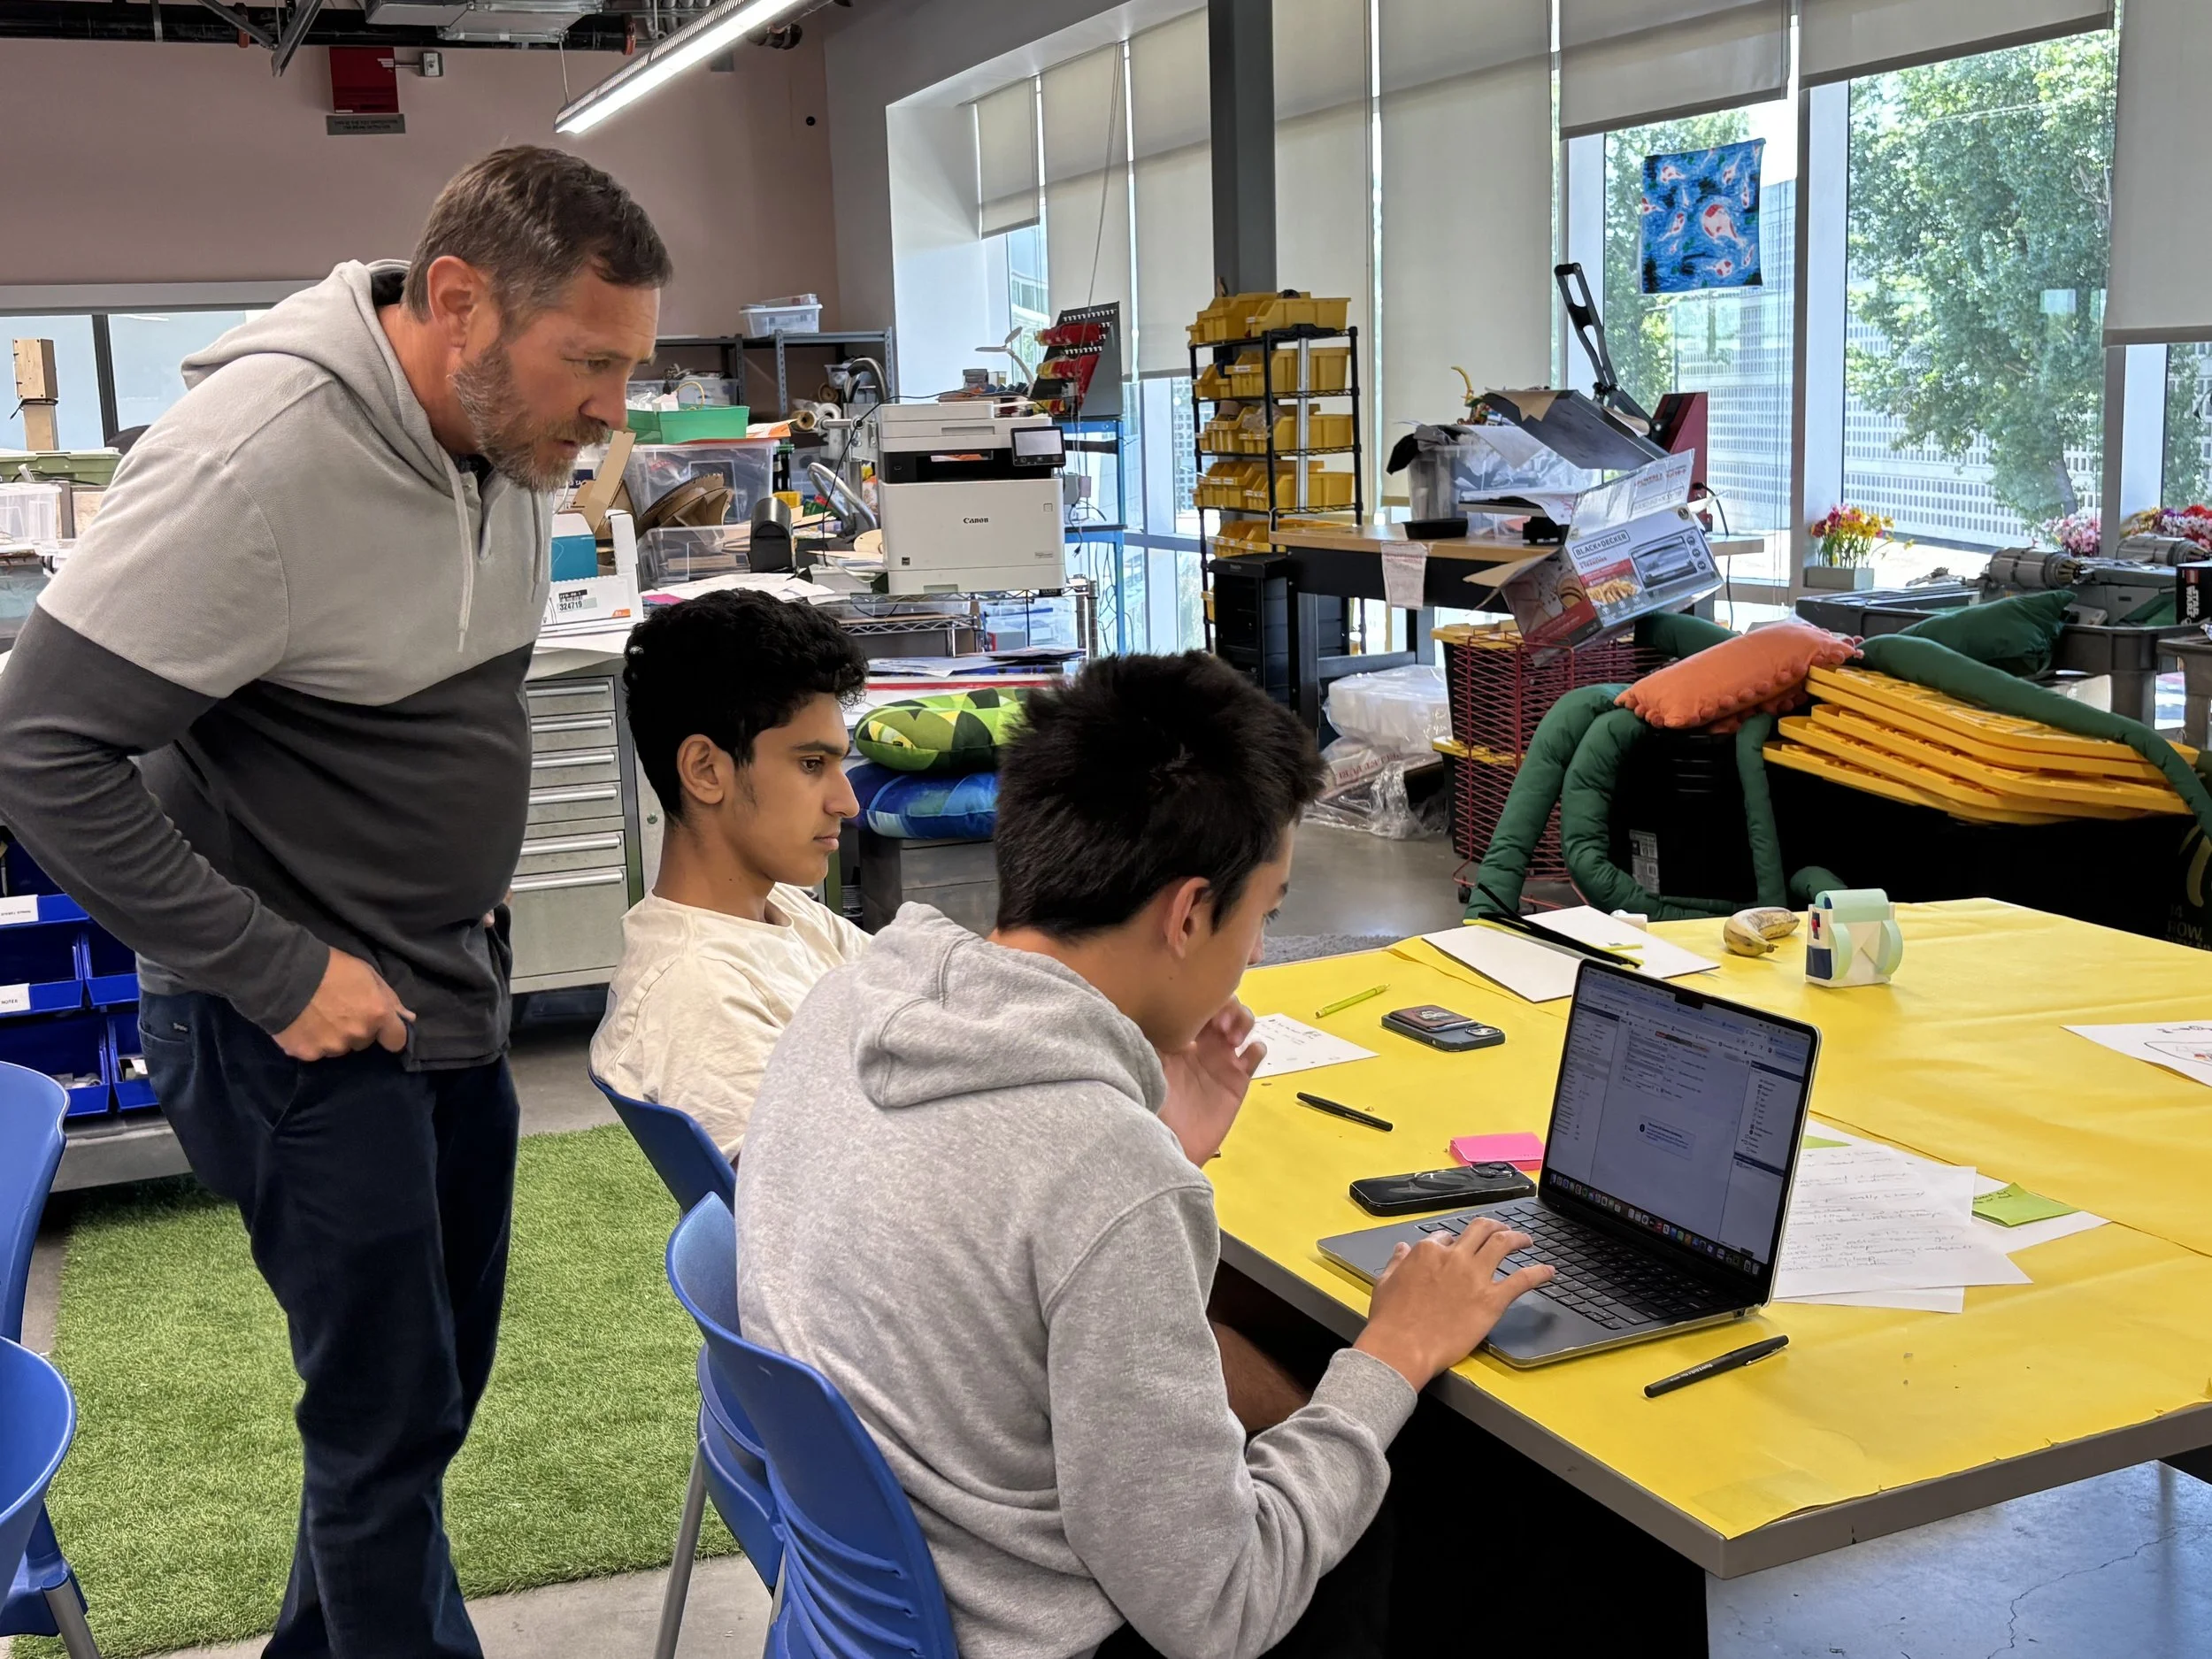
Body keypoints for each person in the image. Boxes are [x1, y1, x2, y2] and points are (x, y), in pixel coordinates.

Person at [0, 148, 669, 1658]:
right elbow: (38, 750)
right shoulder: (254, 460)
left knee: (425, 1401)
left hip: (446, 985)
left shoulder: (499, 442)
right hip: (298, 1027)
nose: (612, 409)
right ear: (459, 302)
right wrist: (277, 968)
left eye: (629, 367)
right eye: (591, 361)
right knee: (385, 1420)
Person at [733, 652, 1555, 1659]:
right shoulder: (1100, 1170)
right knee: (1507, 1491)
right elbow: (1221, 1610)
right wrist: (1393, 1354)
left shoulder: (853, 999)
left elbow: (1004, 1222)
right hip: (1049, 1629)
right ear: (1189, 913)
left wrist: (1152, 1142)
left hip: (879, 1603)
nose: (1257, 952)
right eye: (1266, 913)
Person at [590, 588, 873, 1154]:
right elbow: (809, 1198)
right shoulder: (697, 993)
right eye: (811, 764)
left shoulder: (782, 909)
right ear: (705, 771)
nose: (847, 803)